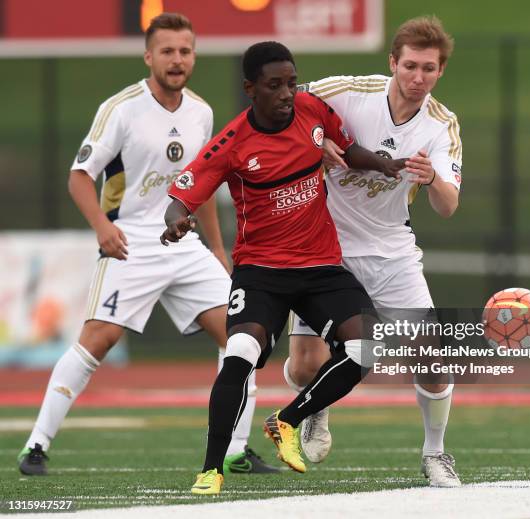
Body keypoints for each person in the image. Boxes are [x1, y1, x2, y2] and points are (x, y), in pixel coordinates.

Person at [17, 12, 277, 477]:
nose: (177, 60)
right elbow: (80, 176)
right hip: (130, 241)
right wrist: (102, 227)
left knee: (244, 335)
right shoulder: (122, 108)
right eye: (167, 51)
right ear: (148, 57)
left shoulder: (201, 112)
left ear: (193, 55)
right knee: (98, 340)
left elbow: (200, 188)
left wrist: (218, 250)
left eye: (185, 51)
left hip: (184, 245)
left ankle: (235, 450)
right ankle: (36, 445)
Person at [161, 41, 408, 495]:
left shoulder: (313, 110)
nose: (286, 93)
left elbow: (348, 150)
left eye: (291, 83)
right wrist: (177, 222)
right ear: (250, 88)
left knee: (367, 347)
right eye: (274, 85)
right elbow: (182, 196)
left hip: (321, 269)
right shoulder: (232, 144)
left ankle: (287, 421)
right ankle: (211, 469)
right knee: (239, 353)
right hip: (262, 274)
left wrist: (381, 164)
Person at [286, 16, 462, 487]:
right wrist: (316, 143)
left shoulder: (441, 125)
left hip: (391, 251)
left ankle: (435, 453)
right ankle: (315, 409)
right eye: (410, 66)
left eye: (428, 68)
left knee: (432, 357)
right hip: (323, 246)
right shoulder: (348, 91)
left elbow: (448, 207)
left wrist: (433, 181)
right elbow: (282, 104)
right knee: (305, 365)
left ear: (441, 70)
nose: (417, 78)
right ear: (393, 63)